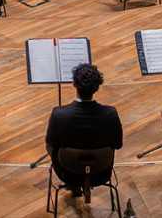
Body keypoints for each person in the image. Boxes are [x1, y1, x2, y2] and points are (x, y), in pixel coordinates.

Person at [46, 64, 123, 199]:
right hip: (101, 172)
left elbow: (51, 143)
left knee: (51, 145)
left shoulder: (59, 114)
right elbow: (117, 144)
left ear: (74, 84)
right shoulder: (110, 114)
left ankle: (74, 186)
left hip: (68, 173)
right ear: (97, 87)